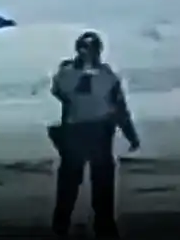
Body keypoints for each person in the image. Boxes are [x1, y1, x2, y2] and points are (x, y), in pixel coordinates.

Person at [49, 31, 139, 238]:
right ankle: (63, 224)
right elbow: (62, 95)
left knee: (100, 181)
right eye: (83, 48)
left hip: (96, 129)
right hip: (78, 130)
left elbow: (118, 107)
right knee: (72, 181)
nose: (85, 52)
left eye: (88, 48)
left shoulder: (103, 76)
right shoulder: (71, 74)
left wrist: (130, 133)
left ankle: (101, 224)